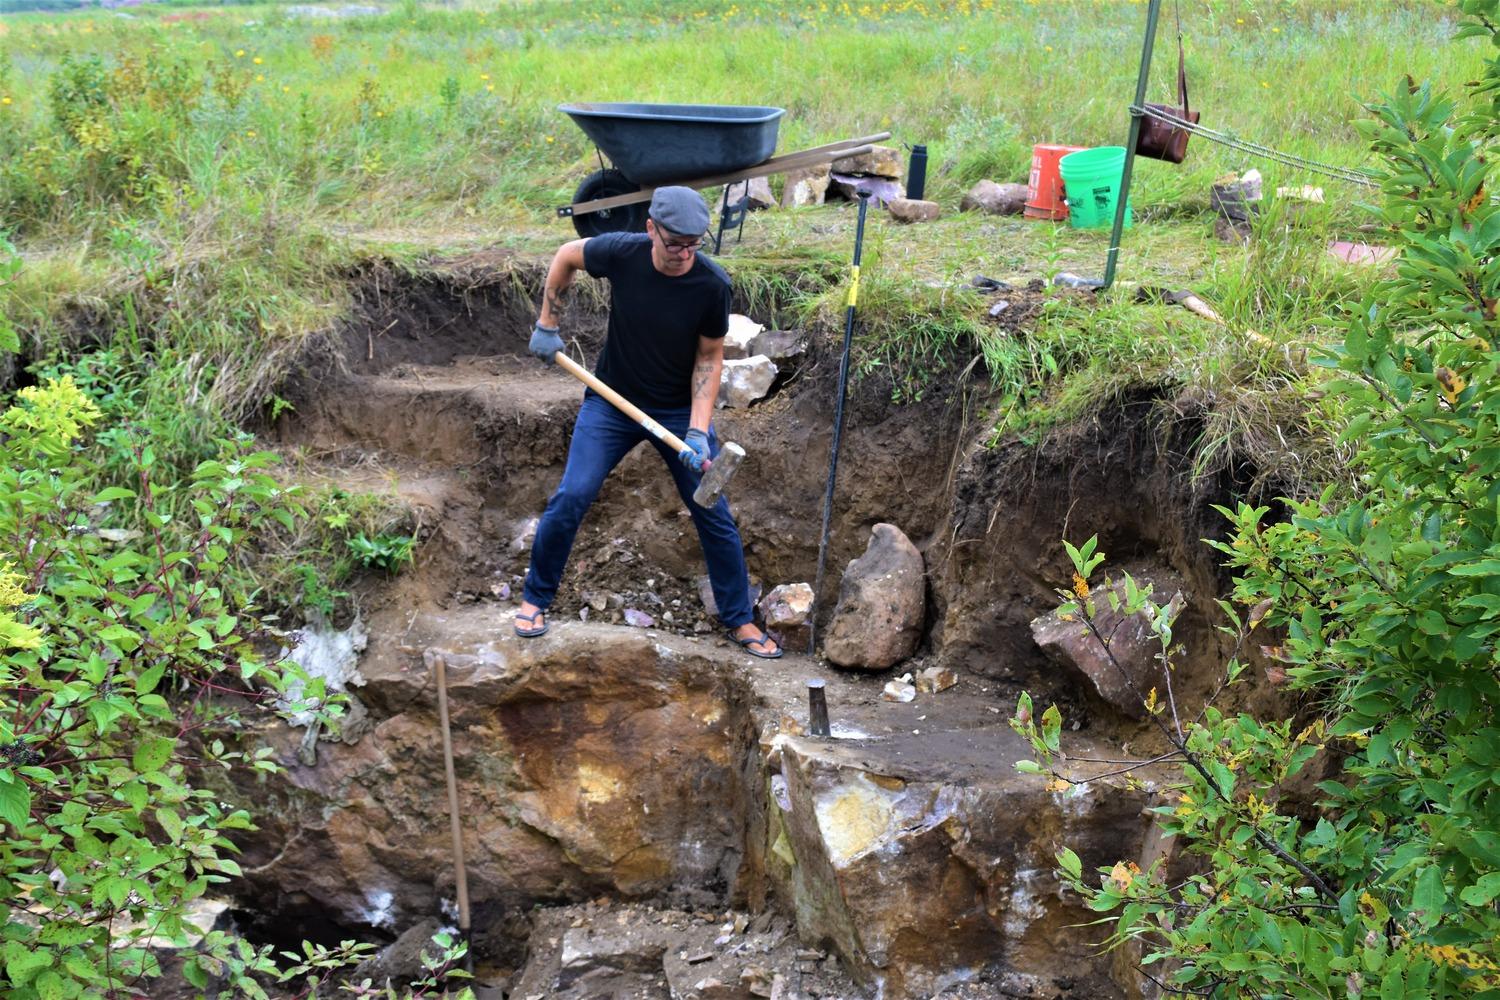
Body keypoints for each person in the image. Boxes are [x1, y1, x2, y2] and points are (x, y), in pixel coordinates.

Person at [513, 187, 781, 659]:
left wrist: (698, 430)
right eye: (674, 242)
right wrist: (548, 323)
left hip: (678, 412)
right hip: (610, 401)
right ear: (651, 229)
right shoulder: (622, 253)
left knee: (711, 509)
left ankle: (738, 617)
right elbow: (565, 256)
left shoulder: (710, 284)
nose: (682, 254)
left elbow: (709, 357)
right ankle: (536, 597)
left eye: (693, 244)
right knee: (573, 495)